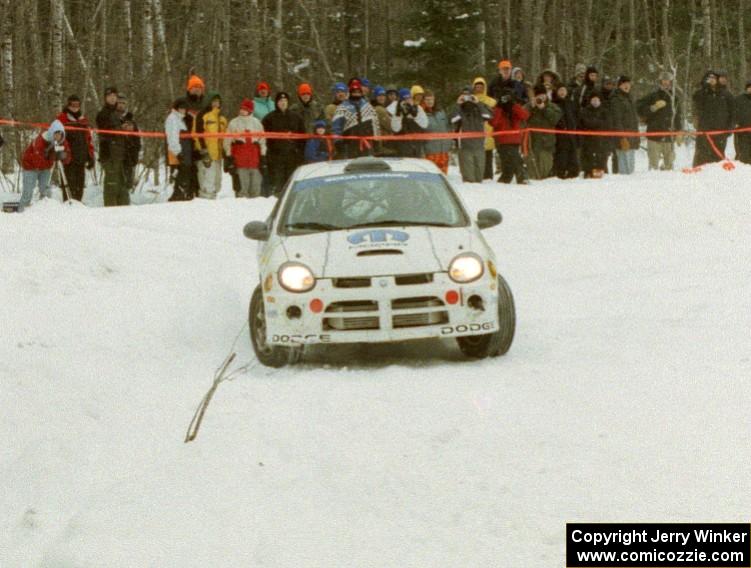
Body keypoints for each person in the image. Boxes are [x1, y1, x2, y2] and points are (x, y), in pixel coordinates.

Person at [19, 120, 72, 211]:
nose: (57, 136)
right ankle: (22, 213)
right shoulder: (41, 140)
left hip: (46, 168)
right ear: (51, 132)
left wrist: (64, 156)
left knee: (45, 191)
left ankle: (44, 212)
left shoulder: (62, 141)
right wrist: (52, 154)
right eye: (56, 133)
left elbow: (68, 156)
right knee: (28, 192)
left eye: (60, 134)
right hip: (30, 167)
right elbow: (37, 160)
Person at [636, 71, 683, 170]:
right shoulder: (653, 95)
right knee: (653, 166)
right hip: (654, 135)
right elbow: (638, 107)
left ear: (671, 82)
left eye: (668, 81)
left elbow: (678, 116)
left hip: (669, 136)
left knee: (669, 166)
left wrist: (679, 131)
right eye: (664, 80)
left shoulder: (675, 98)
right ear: (660, 82)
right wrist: (653, 107)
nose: (666, 83)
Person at [262, 92, 305, 195]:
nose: (283, 103)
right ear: (277, 103)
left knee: (291, 180)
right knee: (278, 181)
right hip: (276, 156)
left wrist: (299, 151)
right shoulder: (269, 118)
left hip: (292, 155)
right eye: (281, 101)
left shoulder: (296, 117)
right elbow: (264, 137)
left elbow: (302, 136)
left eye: (285, 101)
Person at [224, 98, 266, 198]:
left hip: (254, 162)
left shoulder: (257, 123)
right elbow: (227, 141)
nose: (242, 111)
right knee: (242, 191)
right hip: (240, 162)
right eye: (241, 108)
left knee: (255, 191)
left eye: (245, 109)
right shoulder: (234, 123)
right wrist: (229, 157)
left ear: (250, 110)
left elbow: (262, 141)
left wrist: (263, 156)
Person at [450, 87, 493, 183]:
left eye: (469, 96)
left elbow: (489, 116)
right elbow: (453, 119)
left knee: (479, 178)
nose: (467, 99)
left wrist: (478, 103)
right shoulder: (459, 110)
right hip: (465, 148)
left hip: (480, 147)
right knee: (469, 179)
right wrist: (458, 104)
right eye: (465, 96)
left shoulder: (480, 109)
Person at [56, 95, 94, 201]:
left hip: (81, 157)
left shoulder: (83, 119)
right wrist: (61, 152)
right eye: (73, 105)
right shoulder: (62, 118)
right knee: (69, 186)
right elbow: (57, 137)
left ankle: (78, 206)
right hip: (68, 158)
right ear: (68, 105)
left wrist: (90, 156)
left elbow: (88, 138)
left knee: (80, 186)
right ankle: (68, 206)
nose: (75, 107)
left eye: (77, 105)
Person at [692, 70, 735, 166]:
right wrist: (705, 86)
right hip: (704, 130)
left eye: (714, 78)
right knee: (701, 155)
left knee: (717, 155)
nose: (712, 80)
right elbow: (696, 101)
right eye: (709, 78)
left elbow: (733, 113)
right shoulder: (702, 93)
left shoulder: (726, 94)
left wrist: (730, 128)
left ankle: (716, 175)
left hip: (720, 131)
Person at [96, 86, 129, 206]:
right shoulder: (103, 114)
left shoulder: (117, 114)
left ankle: (123, 209)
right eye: (110, 97)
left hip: (120, 154)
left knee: (122, 185)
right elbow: (106, 132)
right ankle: (110, 211)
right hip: (109, 154)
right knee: (111, 184)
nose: (112, 99)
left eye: (114, 96)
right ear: (105, 98)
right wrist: (121, 129)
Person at [332, 78, 381, 159]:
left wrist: (377, 142)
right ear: (350, 93)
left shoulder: (368, 106)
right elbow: (336, 127)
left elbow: (375, 124)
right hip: (349, 145)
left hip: (367, 144)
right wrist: (337, 142)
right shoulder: (342, 107)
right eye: (354, 92)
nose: (356, 94)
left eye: (358, 92)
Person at [490, 89, 530, 184]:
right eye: (504, 97)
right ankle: (518, 177)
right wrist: (499, 107)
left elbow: (525, 116)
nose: (506, 100)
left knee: (511, 161)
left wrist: (513, 104)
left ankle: (506, 179)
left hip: (514, 139)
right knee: (511, 160)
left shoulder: (514, 108)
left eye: (507, 97)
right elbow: (493, 122)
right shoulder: (497, 109)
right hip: (502, 140)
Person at [194, 92, 227, 199]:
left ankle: (212, 206)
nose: (215, 104)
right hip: (207, 154)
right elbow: (197, 133)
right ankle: (204, 205)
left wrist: (225, 152)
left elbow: (225, 137)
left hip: (218, 155)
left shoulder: (222, 118)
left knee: (217, 183)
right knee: (207, 183)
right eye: (213, 101)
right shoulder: (203, 115)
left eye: (217, 102)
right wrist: (203, 150)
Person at [525, 86, 562, 179]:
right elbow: (522, 117)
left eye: (543, 95)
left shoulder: (552, 106)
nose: (541, 98)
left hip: (547, 143)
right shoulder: (530, 106)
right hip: (531, 143)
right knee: (532, 169)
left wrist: (544, 108)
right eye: (539, 96)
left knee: (545, 167)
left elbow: (555, 119)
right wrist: (531, 107)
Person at [609, 76, 640, 174]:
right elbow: (617, 120)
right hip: (622, 138)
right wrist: (622, 137)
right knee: (623, 167)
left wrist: (636, 135)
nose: (626, 86)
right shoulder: (616, 99)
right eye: (624, 84)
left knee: (630, 167)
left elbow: (634, 120)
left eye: (628, 83)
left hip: (632, 136)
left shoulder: (630, 98)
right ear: (619, 85)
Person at [165, 98, 193, 201]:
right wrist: (178, 153)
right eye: (181, 108)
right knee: (180, 174)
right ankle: (178, 196)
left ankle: (180, 194)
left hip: (184, 151)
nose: (183, 110)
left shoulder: (180, 119)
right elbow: (172, 137)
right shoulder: (172, 118)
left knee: (183, 175)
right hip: (178, 152)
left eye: (185, 108)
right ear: (177, 108)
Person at [578, 92, 610, 178]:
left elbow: (607, 124)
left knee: (602, 160)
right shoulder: (585, 111)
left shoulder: (605, 111)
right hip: (588, 142)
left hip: (602, 142)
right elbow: (585, 123)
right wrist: (597, 123)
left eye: (597, 100)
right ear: (590, 101)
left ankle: (601, 174)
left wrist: (595, 123)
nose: (595, 102)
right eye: (593, 100)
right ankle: (587, 173)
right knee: (588, 159)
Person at [388, 87, 427, 158]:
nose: (407, 101)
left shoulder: (417, 108)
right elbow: (395, 129)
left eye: (409, 99)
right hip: (402, 146)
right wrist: (398, 114)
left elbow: (424, 124)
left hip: (416, 145)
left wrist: (414, 114)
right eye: (404, 99)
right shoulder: (396, 110)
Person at [472, 77, 498, 179]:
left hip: (489, 131)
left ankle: (488, 176)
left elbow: (496, 116)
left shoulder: (491, 101)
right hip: (475, 131)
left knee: (488, 156)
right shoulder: (471, 99)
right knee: (476, 156)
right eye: (477, 87)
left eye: (481, 87)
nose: (479, 89)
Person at [552, 85, 580, 178]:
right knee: (562, 156)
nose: (562, 92)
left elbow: (576, 117)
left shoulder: (571, 103)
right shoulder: (554, 103)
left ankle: (573, 172)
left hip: (571, 134)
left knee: (573, 156)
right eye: (560, 90)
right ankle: (560, 173)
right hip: (560, 135)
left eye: (564, 90)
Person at [185, 74, 206, 198]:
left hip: (201, 142)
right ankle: (188, 194)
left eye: (199, 87)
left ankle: (200, 194)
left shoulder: (205, 104)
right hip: (187, 142)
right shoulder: (184, 103)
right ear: (189, 89)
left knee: (202, 172)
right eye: (194, 87)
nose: (197, 90)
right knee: (189, 170)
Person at [422, 90, 452, 174]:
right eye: (427, 100)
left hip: (443, 150)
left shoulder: (441, 112)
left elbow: (448, 128)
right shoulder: (421, 114)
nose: (430, 102)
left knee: (443, 175)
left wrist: (449, 143)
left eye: (431, 99)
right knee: (431, 175)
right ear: (423, 101)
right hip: (430, 151)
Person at [117, 94, 141, 191]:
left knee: (127, 184)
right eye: (119, 103)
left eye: (123, 103)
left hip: (129, 156)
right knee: (116, 183)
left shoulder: (131, 120)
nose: (121, 105)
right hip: (117, 155)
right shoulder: (112, 118)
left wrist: (135, 154)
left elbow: (137, 139)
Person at [371, 86, 394, 156]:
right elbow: (391, 126)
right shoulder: (379, 109)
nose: (382, 98)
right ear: (375, 97)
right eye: (379, 96)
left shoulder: (375, 107)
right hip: (382, 144)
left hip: (378, 143)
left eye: (383, 95)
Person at [735, 80, 751, 164]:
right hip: (742, 131)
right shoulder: (739, 99)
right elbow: (733, 112)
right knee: (743, 154)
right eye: (749, 87)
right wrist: (735, 122)